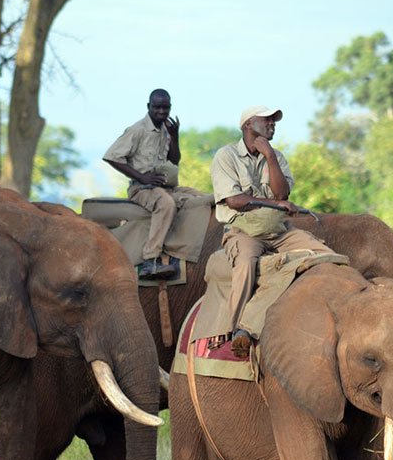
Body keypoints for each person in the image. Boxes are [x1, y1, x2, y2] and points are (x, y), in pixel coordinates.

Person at [211, 104, 334, 357]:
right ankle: (237, 330)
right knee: (245, 264)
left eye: (274, 121)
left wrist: (270, 157)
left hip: (279, 232)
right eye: (266, 120)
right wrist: (275, 204)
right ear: (248, 125)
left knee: (327, 256)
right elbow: (234, 200)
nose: (272, 124)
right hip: (244, 233)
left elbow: (282, 194)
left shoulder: (276, 156)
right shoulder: (226, 156)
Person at [103, 88, 201, 280]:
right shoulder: (137, 130)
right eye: (157, 107)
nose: (162, 112)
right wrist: (142, 178)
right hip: (142, 189)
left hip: (165, 186)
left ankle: (178, 250)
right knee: (166, 204)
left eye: (165, 108)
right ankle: (150, 260)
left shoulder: (166, 129)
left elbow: (174, 161)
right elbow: (112, 156)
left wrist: (175, 136)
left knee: (199, 197)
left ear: (170, 107)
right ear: (149, 107)